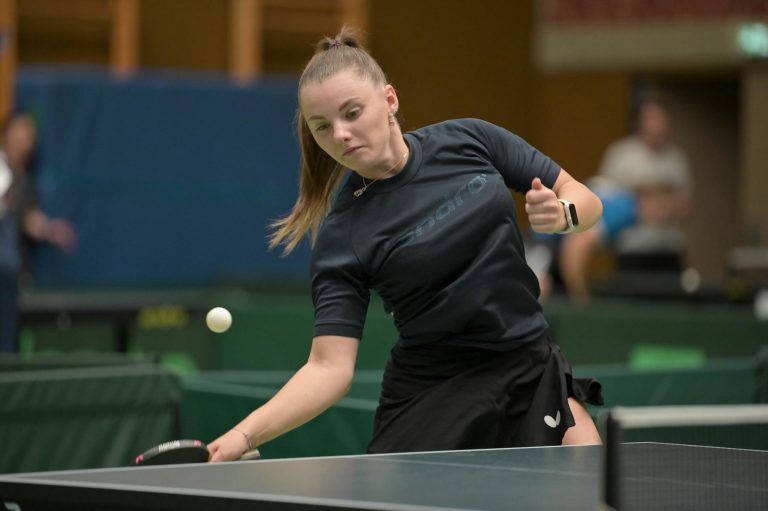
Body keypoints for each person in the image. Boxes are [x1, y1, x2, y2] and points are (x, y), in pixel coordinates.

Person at [208, 28, 604, 461]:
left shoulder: (470, 140)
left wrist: (563, 215)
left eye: (352, 113)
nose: (340, 134)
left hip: (528, 365)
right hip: (435, 394)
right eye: (322, 127)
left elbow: (584, 198)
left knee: (593, 481)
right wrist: (245, 435)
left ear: (390, 100)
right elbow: (328, 367)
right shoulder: (344, 234)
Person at [557, 99, 692, 301]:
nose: (656, 125)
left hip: (667, 253)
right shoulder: (616, 206)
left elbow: (685, 204)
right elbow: (576, 246)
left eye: (661, 119)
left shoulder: (676, 159)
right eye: (651, 119)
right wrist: (581, 299)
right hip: (631, 254)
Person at [0, 113, 77, 353]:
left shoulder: (23, 179)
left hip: (9, 275)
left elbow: (28, 220)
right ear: (7, 134)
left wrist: (52, 230)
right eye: (21, 130)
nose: (26, 137)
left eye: (30, 133)